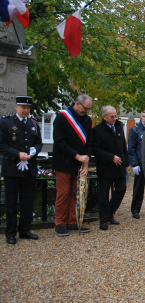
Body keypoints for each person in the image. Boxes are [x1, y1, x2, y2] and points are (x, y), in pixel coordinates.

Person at [0, 96, 42, 244]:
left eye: (28, 108)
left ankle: (24, 230)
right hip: (12, 168)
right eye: (23, 107)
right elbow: (2, 146)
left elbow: (38, 143)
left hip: (28, 169)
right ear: (16, 107)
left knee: (27, 202)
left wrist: (33, 151)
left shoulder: (34, 124)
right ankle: (11, 233)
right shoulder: (5, 123)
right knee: (11, 203)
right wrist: (18, 154)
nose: (26, 110)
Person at [52, 94, 93, 237]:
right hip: (64, 161)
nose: (86, 112)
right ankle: (60, 223)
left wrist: (86, 158)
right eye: (85, 108)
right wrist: (77, 155)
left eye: (88, 109)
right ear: (77, 104)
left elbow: (89, 141)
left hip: (79, 163)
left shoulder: (87, 120)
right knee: (63, 194)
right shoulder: (62, 117)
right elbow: (60, 142)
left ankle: (72, 221)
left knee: (76, 194)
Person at [93, 106, 130, 230]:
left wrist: (126, 162)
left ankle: (110, 212)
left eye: (115, 116)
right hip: (105, 167)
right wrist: (111, 157)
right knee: (104, 194)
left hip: (119, 166)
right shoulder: (98, 130)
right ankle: (103, 219)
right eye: (111, 116)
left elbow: (123, 146)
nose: (114, 118)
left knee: (121, 188)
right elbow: (96, 150)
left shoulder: (119, 126)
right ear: (104, 117)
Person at [128, 109, 145, 219]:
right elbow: (131, 148)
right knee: (138, 188)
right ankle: (135, 210)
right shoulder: (134, 130)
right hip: (140, 163)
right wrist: (134, 164)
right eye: (144, 116)